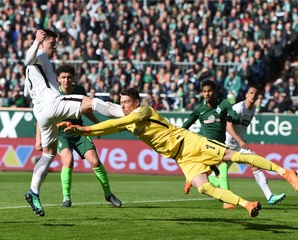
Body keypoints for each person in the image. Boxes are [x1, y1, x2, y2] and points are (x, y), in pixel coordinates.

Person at [58, 87, 298, 218]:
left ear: (136, 102)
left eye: (125, 102)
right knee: (204, 187)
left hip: (189, 142)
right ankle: (247, 204)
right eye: (120, 103)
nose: (122, 106)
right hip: (181, 158)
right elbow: (110, 128)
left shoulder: (143, 111)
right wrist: (82, 131)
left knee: (233, 156)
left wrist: (85, 128)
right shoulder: (129, 121)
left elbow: (110, 125)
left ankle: (285, 172)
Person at [23, 29, 124, 217]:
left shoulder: (31, 71)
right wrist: (37, 42)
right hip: (52, 105)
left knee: (48, 155)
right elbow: (28, 59)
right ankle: (126, 112)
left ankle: (33, 191)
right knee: (92, 102)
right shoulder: (40, 55)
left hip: (43, 115)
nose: (55, 47)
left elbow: (26, 93)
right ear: (43, 42)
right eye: (52, 43)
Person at [35, 65, 122, 208]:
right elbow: (42, 117)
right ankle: (66, 198)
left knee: (95, 161)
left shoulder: (80, 91)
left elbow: (87, 110)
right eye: (63, 77)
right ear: (58, 79)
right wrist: (38, 139)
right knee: (68, 161)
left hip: (79, 131)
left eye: (69, 77)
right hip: (61, 133)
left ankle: (108, 194)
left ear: (73, 78)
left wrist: (97, 126)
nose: (66, 80)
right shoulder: (52, 94)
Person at [182, 79, 241, 210]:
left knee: (212, 176)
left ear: (215, 91)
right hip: (205, 147)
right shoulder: (199, 109)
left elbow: (236, 118)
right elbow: (186, 124)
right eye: (204, 91)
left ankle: (191, 179)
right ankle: (227, 201)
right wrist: (177, 134)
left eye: (209, 91)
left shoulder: (224, 104)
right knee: (224, 168)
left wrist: (230, 118)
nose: (207, 94)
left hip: (220, 147)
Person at [225, 86, 286, 205]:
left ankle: (270, 196)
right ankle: (192, 180)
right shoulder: (238, 108)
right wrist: (239, 140)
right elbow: (228, 126)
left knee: (255, 166)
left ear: (258, 97)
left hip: (238, 146)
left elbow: (241, 128)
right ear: (246, 95)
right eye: (251, 93)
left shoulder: (252, 110)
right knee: (213, 174)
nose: (253, 95)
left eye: (255, 94)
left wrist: (242, 141)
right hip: (226, 146)